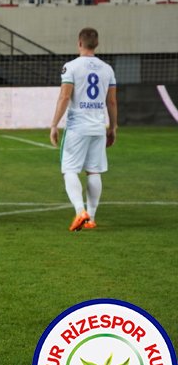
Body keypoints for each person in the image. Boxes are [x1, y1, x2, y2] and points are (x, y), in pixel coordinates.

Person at [50, 27, 117, 232]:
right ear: (96, 44)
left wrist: (54, 124)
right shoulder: (107, 69)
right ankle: (92, 218)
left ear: (80, 43)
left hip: (77, 127)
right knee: (94, 171)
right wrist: (112, 127)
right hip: (98, 127)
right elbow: (112, 102)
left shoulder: (71, 67)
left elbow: (65, 96)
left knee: (69, 170)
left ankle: (80, 212)